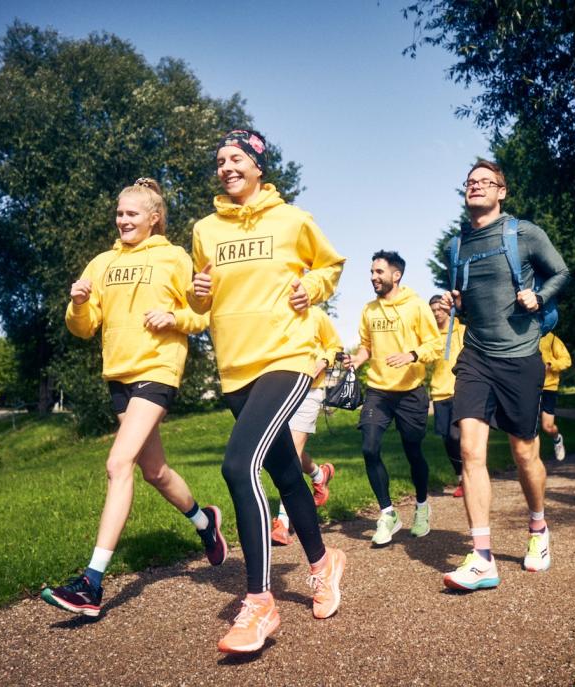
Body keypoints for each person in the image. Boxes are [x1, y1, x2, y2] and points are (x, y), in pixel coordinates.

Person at [189, 130, 347, 653]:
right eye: (220, 161)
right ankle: (324, 564)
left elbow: (330, 264)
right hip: (235, 366)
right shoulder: (205, 230)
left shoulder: (293, 220)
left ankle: (259, 603)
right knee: (284, 472)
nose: (226, 167)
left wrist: (314, 286)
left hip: (289, 354)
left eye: (237, 158)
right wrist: (196, 294)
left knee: (238, 467)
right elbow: (199, 303)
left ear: (258, 165)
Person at [41, 178, 226, 618]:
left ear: (154, 217)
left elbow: (204, 314)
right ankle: (206, 523)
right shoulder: (102, 262)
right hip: (119, 375)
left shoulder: (174, 258)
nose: (123, 220)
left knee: (117, 463)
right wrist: (79, 303)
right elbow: (83, 326)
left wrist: (175, 315)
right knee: (155, 471)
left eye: (131, 214)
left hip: (158, 369)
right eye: (120, 214)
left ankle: (91, 582)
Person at [438, 159, 569, 590]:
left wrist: (539, 295)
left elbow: (561, 272)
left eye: (484, 182)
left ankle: (538, 529)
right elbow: (471, 294)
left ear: (501, 191)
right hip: (476, 356)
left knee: (524, 453)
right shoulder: (456, 246)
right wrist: (458, 298)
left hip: (520, 356)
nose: (475, 187)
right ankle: (482, 558)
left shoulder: (523, 233)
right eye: (469, 181)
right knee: (470, 450)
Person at [345, 251, 443, 546]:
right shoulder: (369, 310)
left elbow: (435, 345)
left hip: (411, 391)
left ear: (396, 275)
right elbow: (366, 346)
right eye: (372, 272)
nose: (373, 277)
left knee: (413, 451)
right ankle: (388, 513)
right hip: (378, 391)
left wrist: (412, 355)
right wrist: (355, 361)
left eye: (379, 272)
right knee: (369, 447)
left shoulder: (415, 305)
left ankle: (422, 506)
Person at [271, 306, 342, 546]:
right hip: (279, 390)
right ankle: (319, 475)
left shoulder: (316, 314)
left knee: (289, 454)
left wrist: (322, 362)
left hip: (309, 390)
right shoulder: (272, 312)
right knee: (282, 450)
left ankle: (282, 522)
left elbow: (334, 345)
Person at [429, 294, 466, 497]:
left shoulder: (462, 330)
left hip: (462, 391)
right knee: (448, 439)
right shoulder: (430, 336)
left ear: (448, 309)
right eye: (433, 310)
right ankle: (461, 478)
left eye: (440, 309)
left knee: (459, 436)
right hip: (439, 392)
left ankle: (472, 476)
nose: (437, 313)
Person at [538, 332, 572, 462]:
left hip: (548, 387)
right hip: (527, 387)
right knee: (528, 426)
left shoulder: (551, 338)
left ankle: (557, 438)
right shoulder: (519, 333)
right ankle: (533, 459)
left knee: (547, 427)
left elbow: (566, 360)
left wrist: (551, 364)